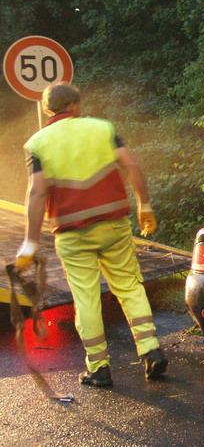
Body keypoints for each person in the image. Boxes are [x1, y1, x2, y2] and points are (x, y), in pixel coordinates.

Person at [15, 82, 167, 387]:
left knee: (85, 298)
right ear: (76, 104)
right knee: (129, 286)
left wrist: (30, 242)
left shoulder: (37, 143)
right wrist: (144, 205)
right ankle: (150, 351)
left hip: (72, 235)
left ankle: (99, 368)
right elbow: (132, 165)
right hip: (113, 226)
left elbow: (36, 193)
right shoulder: (102, 128)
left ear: (48, 110)